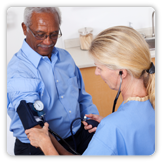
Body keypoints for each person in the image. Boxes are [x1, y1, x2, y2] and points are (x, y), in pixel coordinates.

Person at [25, 26, 155, 156]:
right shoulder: (149, 103)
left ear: (122, 72)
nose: (96, 72)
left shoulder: (112, 128)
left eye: (100, 68)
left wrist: (45, 143)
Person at [7, 7, 99, 155]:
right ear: (25, 28)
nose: (48, 41)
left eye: (54, 34)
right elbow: (36, 127)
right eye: (40, 34)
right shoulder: (18, 72)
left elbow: (82, 97)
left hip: (78, 134)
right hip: (40, 146)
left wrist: (93, 124)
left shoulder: (65, 57)